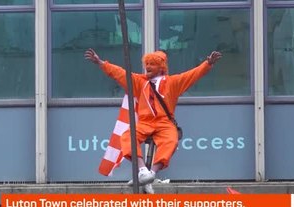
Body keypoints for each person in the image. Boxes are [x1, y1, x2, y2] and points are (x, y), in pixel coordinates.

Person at [84, 48, 222, 185]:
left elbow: (192, 75)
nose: (148, 67)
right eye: (147, 64)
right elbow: (119, 73)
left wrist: (207, 64)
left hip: (164, 123)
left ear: (161, 67)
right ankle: (143, 170)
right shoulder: (139, 81)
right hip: (145, 122)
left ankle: (152, 173)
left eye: (152, 64)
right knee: (127, 136)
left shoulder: (173, 82)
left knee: (171, 141)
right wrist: (100, 62)